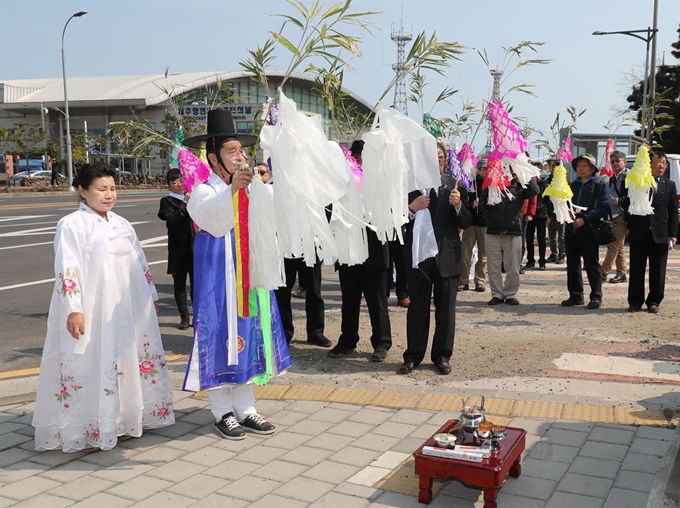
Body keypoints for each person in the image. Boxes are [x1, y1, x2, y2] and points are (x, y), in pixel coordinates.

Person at [32, 162, 175, 453]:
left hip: (127, 306)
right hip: (92, 307)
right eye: (101, 189)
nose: (109, 195)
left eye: (112, 188)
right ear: (82, 191)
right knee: (91, 359)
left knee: (124, 358)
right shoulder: (72, 224)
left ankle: (122, 420)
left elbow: (140, 262)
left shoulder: (122, 223)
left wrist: (150, 296)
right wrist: (74, 308)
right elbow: (67, 267)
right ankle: (89, 426)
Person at [183, 109, 291, 440]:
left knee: (249, 331)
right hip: (219, 280)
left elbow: (278, 208)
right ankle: (222, 411)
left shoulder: (252, 188)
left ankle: (247, 409)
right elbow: (213, 221)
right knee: (219, 334)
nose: (240, 157)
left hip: (249, 277)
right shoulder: (202, 191)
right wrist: (232, 191)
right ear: (214, 158)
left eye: (242, 151)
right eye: (232, 152)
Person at [399, 145, 472, 375]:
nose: (437, 162)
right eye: (432, 159)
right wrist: (411, 208)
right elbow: (396, 219)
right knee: (418, 308)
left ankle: (442, 356)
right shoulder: (411, 186)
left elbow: (467, 222)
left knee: (446, 311)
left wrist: (459, 205)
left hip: (447, 256)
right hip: (421, 258)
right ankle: (413, 356)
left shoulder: (454, 185)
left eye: (440, 158)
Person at [329, 140, 392, 362]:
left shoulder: (377, 181)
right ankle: (348, 340)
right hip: (348, 251)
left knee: (377, 300)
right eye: (354, 157)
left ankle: (382, 342)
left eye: (361, 157)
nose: (357, 161)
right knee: (349, 299)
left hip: (373, 251)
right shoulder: (341, 183)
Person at [626, 150, 678, 313]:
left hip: (660, 233)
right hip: (639, 232)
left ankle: (654, 300)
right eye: (658, 162)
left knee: (658, 270)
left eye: (664, 163)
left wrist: (673, 234)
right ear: (649, 164)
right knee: (636, 269)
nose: (661, 165)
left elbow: (673, 211)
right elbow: (629, 204)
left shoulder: (669, 185)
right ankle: (635, 301)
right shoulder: (639, 182)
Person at [481, 165, 539, 306]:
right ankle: (497, 294)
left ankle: (510, 293)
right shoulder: (493, 182)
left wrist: (524, 171)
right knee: (493, 267)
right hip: (493, 231)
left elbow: (535, 190)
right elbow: (482, 204)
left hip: (514, 231)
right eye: (507, 167)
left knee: (513, 267)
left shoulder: (520, 184)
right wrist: (488, 207)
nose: (510, 171)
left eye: (513, 167)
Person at [561, 154, 610, 309]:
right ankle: (575, 295)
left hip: (589, 229)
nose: (581, 168)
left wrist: (585, 219)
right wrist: (565, 212)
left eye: (585, 165)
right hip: (572, 229)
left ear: (593, 168)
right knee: (572, 263)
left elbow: (604, 207)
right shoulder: (572, 185)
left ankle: (596, 296)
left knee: (591, 264)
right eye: (578, 166)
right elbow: (563, 202)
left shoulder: (599, 184)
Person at [158, 168, 195, 330]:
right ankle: (184, 317)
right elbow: (172, 219)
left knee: (196, 285)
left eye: (181, 180)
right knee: (179, 285)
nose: (179, 184)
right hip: (178, 251)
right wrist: (185, 202)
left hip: (195, 249)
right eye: (174, 182)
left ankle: (198, 315)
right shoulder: (167, 201)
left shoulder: (195, 198)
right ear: (169, 186)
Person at [459, 158, 488, 292]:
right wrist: (472, 205)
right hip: (471, 223)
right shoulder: (471, 184)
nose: (486, 172)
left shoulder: (491, 185)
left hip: (485, 223)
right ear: (478, 170)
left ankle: (480, 280)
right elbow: (464, 204)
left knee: (483, 255)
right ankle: (463, 280)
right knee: (465, 253)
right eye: (484, 169)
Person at [600, 151, 629, 283]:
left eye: (618, 161)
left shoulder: (629, 177)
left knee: (612, 245)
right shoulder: (612, 178)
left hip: (623, 215)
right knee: (619, 246)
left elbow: (633, 196)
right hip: (613, 215)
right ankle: (621, 273)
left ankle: (602, 273)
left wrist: (621, 201)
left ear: (625, 162)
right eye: (612, 162)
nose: (615, 164)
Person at [525, 171, 550, 270]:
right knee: (529, 239)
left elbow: (548, 200)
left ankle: (542, 262)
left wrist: (549, 215)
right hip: (529, 215)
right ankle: (530, 260)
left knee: (541, 239)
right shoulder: (526, 183)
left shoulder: (543, 184)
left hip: (541, 215)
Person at [544, 160, 566, 264]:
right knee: (552, 236)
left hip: (561, 212)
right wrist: (547, 214)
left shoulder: (563, 181)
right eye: (551, 167)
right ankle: (554, 254)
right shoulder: (548, 180)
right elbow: (545, 199)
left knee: (561, 236)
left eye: (554, 167)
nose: (552, 169)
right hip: (550, 211)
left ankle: (562, 253)